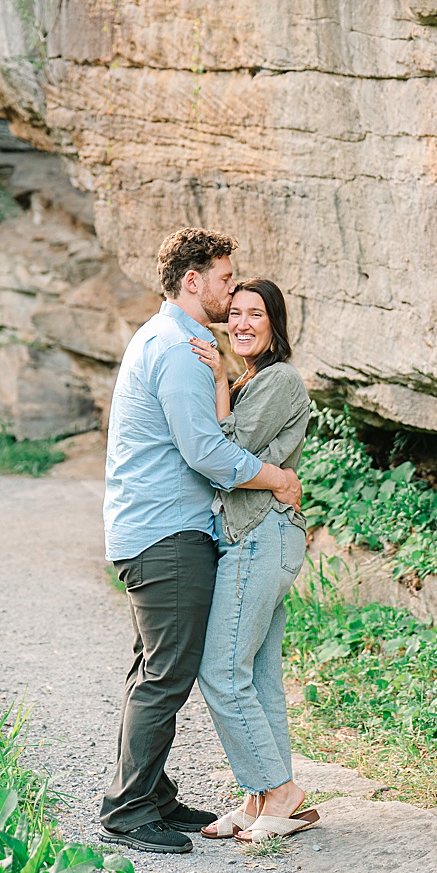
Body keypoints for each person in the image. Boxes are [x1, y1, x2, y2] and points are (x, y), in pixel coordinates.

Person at [98, 228, 304, 854]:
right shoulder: (180, 348)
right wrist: (277, 477)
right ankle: (129, 810)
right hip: (167, 532)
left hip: (158, 527)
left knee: (153, 668)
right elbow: (207, 450)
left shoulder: (168, 340)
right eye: (223, 278)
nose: (228, 288)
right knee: (167, 673)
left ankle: (153, 795)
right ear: (194, 281)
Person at [189, 279, 317, 843]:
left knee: (221, 670)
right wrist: (225, 378)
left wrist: (216, 377)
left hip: (263, 536)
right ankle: (261, 795)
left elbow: (223, 447)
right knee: (258, 677)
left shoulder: (279, 380)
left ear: (275, 323)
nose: (242, 322)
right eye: (234, 313)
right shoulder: (252, 380)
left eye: (255, 314)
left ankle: (282, 793)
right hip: (259, 533)